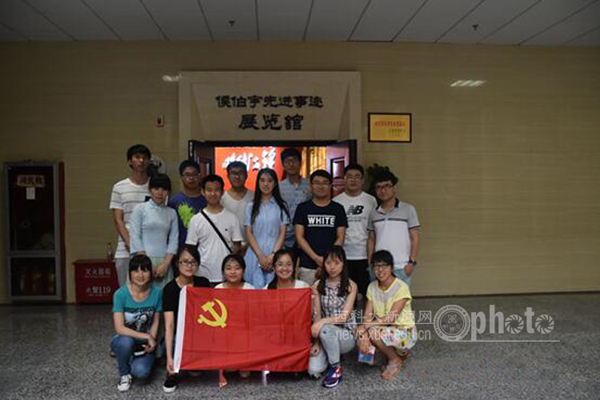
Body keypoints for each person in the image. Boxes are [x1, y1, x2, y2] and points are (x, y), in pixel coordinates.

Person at [356, 250, 417, 381]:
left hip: (404, 332)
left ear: (392, 267)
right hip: (386, 329)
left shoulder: (401, 287)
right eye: (376, 266)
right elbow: (367, 316)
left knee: (372, 332)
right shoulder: (372, 287)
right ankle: (397, 353)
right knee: (364, 347)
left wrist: (366, 328)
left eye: (384, 265)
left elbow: (391, 318)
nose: (380, 270)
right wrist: (364, 334)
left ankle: (395, 359)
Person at [110, 254, 162, 392]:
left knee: (141, 372)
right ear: (130, 273)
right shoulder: (120, 294)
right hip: (125, 338)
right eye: (136, 271)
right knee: (125, 342)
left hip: (144, 344)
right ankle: (124, 373)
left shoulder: (157, 293)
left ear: (150, 273)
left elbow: (156, 321)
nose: (140, 275)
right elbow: (119, 328)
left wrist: (152, 340)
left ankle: (131, 357)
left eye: (144, 270)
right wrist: (147, 336)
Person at [162, 245, 210, 393]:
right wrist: (169, 357)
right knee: (175, 344)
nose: (189, 265)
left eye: (193, 262)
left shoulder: (203, 283)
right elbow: (169, 325)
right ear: (177, 263)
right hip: (178, 335)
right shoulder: (170, 289)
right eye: (185, 261)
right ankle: (172, 372)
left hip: (198, 334)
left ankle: (194, 362)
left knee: (196, 371)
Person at [308, 246, 357, 388]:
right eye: (328, 262)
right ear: (324, 264)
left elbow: (343, 317)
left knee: (326, 328)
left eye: (336, 263)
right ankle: (332, 355)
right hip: (324, 335)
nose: (332, 267)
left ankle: (336, 368)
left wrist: (323, 322)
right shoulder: (318, 285)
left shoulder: (350, 286)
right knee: (313, 370)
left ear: (343, 264)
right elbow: (317, 315)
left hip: (346, 336)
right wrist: (316, 343)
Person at [186, 174, 243, 286]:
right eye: (209, 190)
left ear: (222, 192)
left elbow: (237, 245)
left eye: (217, 190)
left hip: (226, 275)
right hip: (202, 274)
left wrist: (230, 263)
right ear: (203, 192)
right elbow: (191, 248)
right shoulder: (196, 220)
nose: (213, 193)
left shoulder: (232, 217)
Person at [294, 170, 347, 285]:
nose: (321, 186)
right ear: (311, 186)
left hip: (333, 266)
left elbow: (340, 237)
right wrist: (316, 259)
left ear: (330, 186)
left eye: (325, 183)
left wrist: (328, 260)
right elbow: (299, 237)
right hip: (307, 265)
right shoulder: (302, 208)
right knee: (307, 296)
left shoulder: (338, 209)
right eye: (317, 183)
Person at [367, 170, 420, 286]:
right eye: (379, 187)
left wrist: (412, 263)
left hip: (401, 267)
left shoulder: (408, 209)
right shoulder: (373, 213)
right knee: (379, 297)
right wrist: (370, 263)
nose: (383, 190)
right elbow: (371, 239)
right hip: (379, 267)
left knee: (401, 297)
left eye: (387, 186)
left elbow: (415, 237)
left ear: (394, 188)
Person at [109, 144, 151, 286]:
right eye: (137, 157)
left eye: (144, 158)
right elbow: (118, 220)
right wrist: (130, 243)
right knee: (126, 289)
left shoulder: (155, 187)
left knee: (148, 290)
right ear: (129, 161)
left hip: (150, 247)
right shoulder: (119, 187)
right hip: (125, 248)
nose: (141, 161)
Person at [333, 163, 377, 299]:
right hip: (344, 255)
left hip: (365, 255)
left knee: (368, 294)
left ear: (362, 180)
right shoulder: (336, 201)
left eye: (357, 177)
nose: (353, 180)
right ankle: (349, 314)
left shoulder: (371, 200)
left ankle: (365, 314)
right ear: (344, 179)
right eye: (350, 176)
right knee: (346, 294)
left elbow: (375, 228)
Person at [129, 173, 178, 289]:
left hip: (164, 263)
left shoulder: (171, 213)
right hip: (142, 262)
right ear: (150, 190)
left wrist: (166, 264)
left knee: (164, 296)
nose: (160, 192)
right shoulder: (139, 209)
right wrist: (146, 264)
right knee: (141, 295)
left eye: (164, 189)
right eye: (156, 188)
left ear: (168, 192)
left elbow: (173, 240)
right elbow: (135, 236)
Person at [244, 168, 290, 288]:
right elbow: (249, 232)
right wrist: (260, 256)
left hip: (276, 254)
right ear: (258, 182)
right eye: (262, 180)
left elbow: (282, 233)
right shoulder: (250, 206)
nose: (266, 184)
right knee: (253, 292)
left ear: (275, 183)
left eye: (270, 181)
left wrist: (273, 255)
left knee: (274, 291)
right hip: (254, 254)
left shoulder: (281, 206)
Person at [168, 160, 207, 256]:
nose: (191, 178)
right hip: (180, 252)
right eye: (187, 175)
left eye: (194, 174)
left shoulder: (207, 200)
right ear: (181, 177)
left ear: (199, 176)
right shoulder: (174, 201)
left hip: (204, 250)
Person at [279, 148, 311, 249]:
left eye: (294, 160)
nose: (291, 164)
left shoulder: (309, 185)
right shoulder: (278, 187)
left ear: (300, 163)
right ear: (283, 165)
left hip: (306, 235)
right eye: (287, 161)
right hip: (284, 235)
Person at [221, 161, 254, 246]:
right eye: (233, 173)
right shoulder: (221, 198)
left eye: (240, 173)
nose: (237, 176)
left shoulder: (254, 197)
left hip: (251, 246)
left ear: (246, 175)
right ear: (228, 176)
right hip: (228, 246)